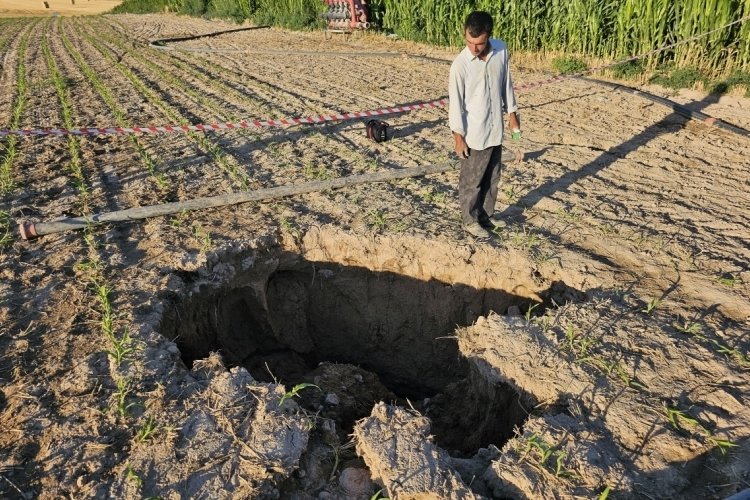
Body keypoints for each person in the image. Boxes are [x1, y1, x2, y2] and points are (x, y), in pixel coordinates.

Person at [449, 11, 520, 239]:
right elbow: (455, 104)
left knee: (492, 177)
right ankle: (469, 220)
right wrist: (458, 137)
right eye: (469, 42)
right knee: (472, 181)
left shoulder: (501, 50)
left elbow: (506, 83)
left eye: (479, 43)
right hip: (475, 134)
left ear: (489, 36)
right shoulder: (460, 66)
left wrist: (512, 112)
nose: (473, 48)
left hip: (495, 129)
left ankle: (486, 216)